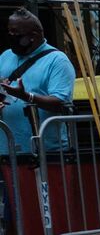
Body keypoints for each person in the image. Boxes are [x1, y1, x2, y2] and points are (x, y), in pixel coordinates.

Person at [0, 9, 75, 158]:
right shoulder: (5, 56)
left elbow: (60, 102)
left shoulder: (58, 61)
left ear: (33, 36)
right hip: (7, 149)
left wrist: (26, 96)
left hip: (46, 151)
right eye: (9, 32)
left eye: (15, 33)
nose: (11, 37)